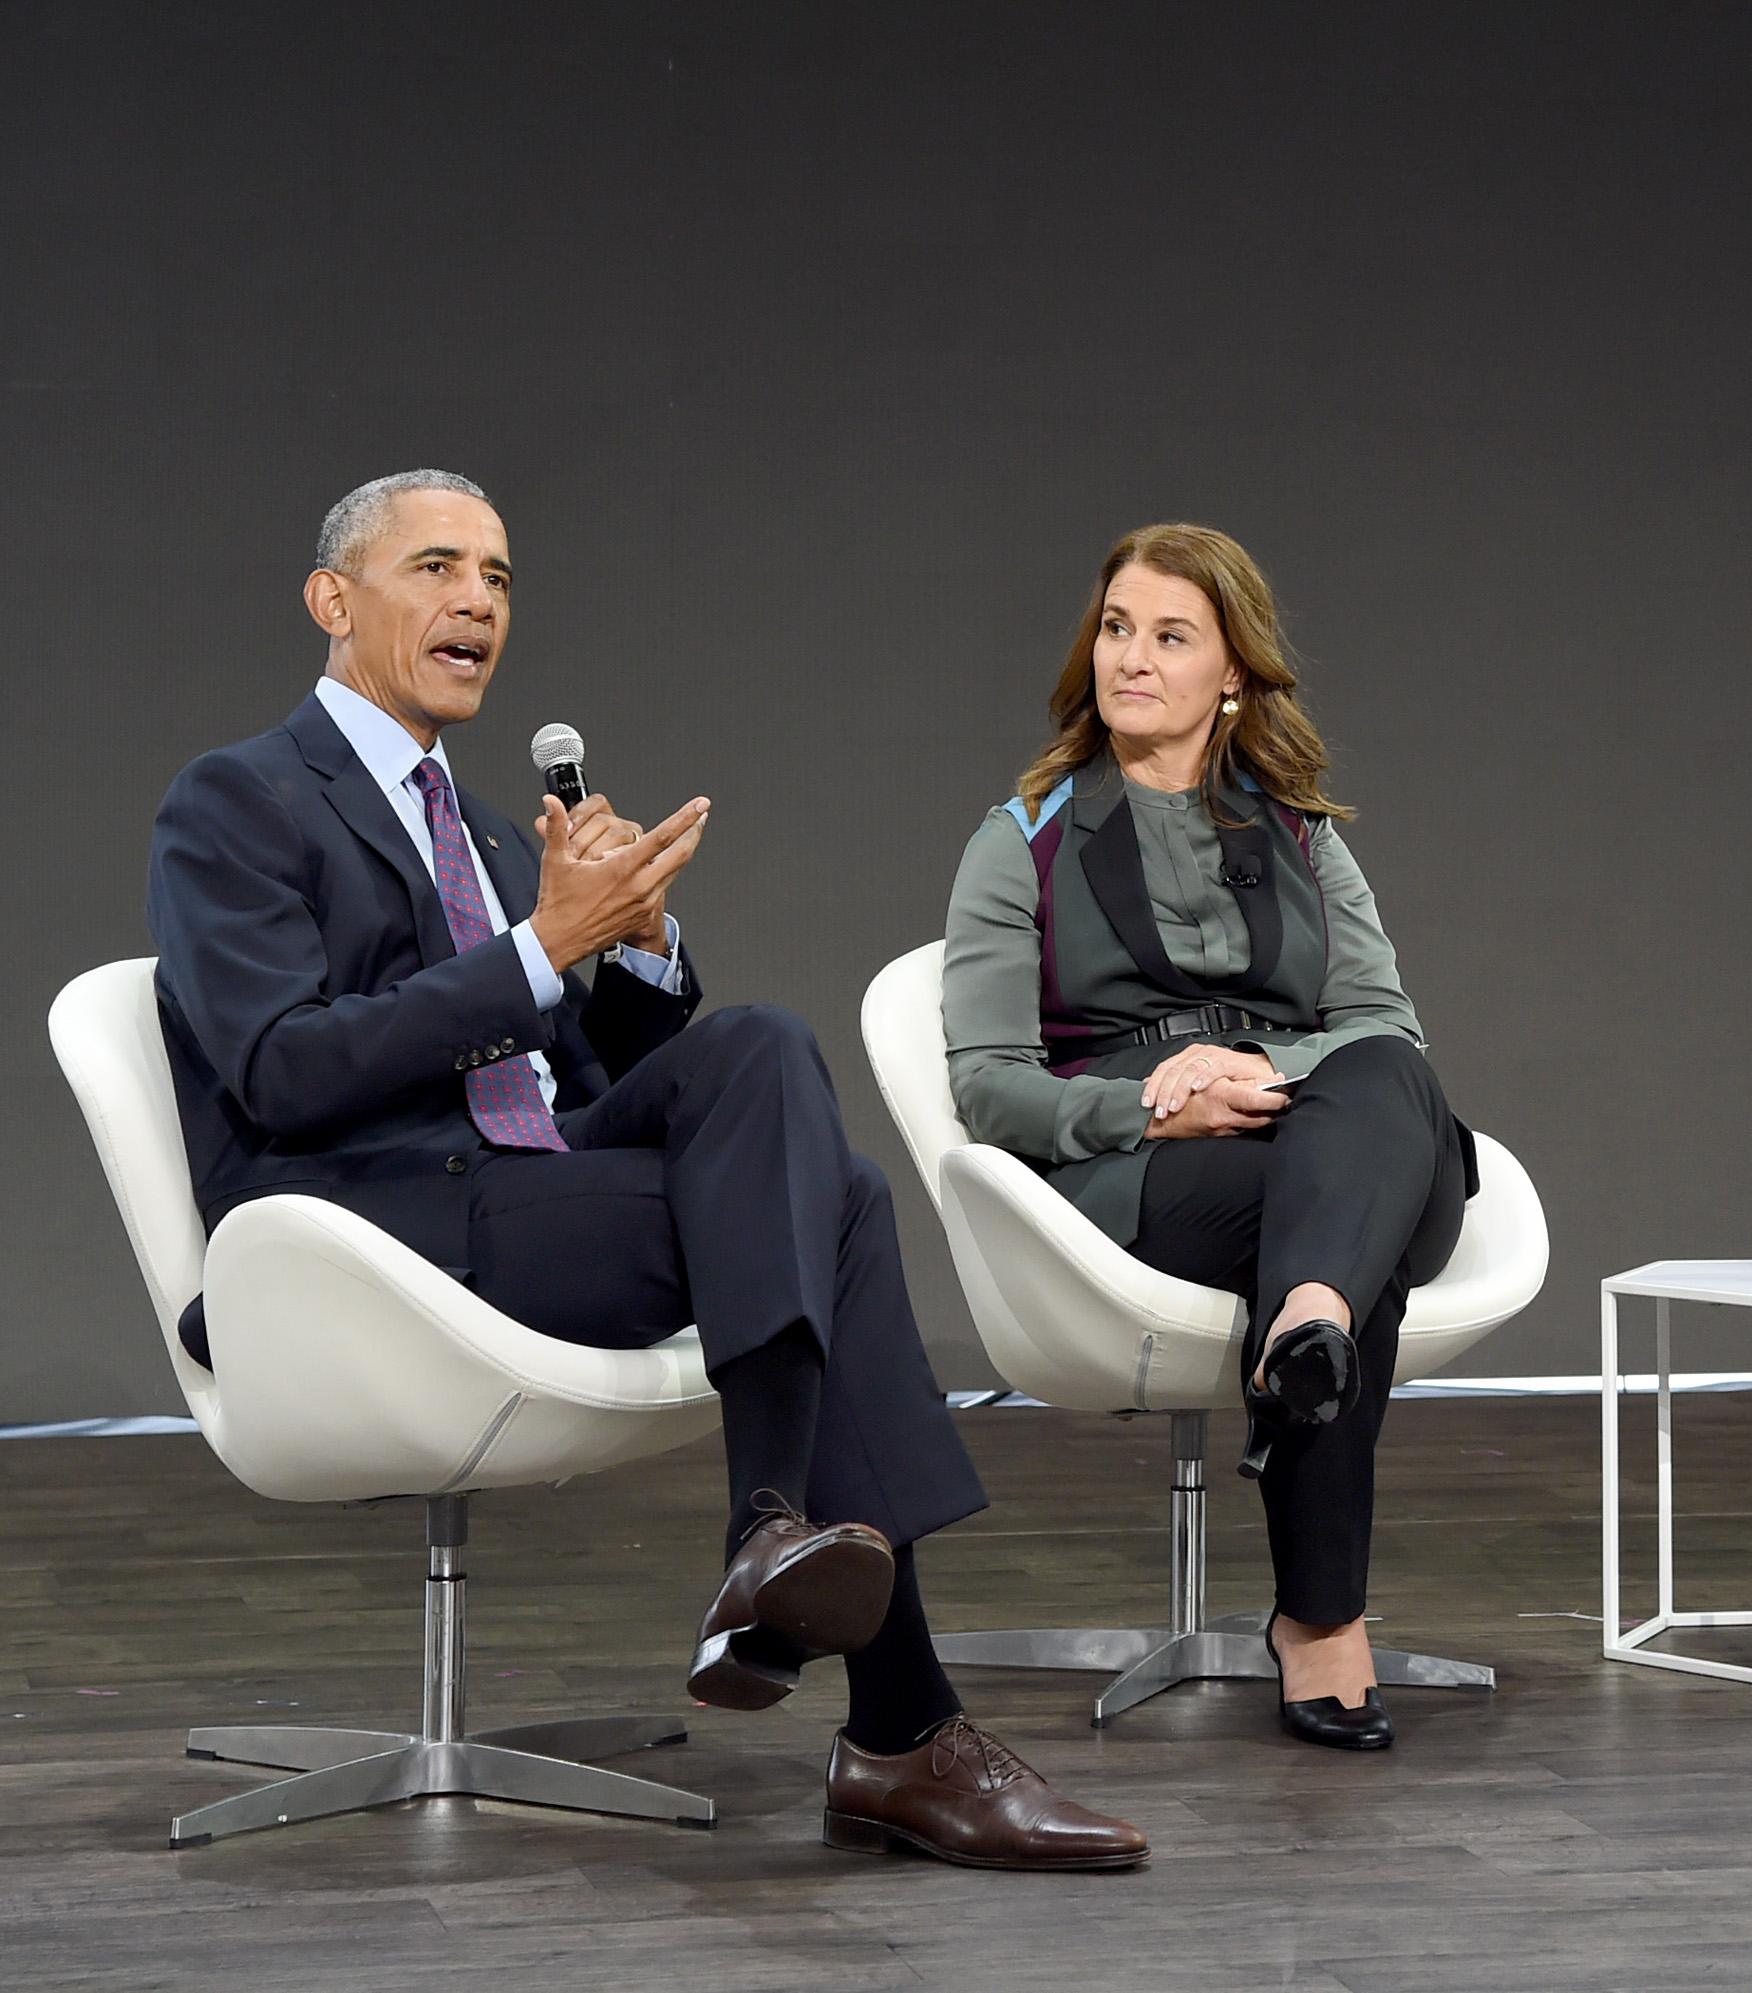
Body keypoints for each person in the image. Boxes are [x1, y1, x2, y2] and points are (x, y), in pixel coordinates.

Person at [146, 470, 1147, 1868]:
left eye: (497, 578)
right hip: (370, 1230)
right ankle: (889, 1714)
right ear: (333, 599)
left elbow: (588, 1077)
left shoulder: (501, 836)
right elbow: (283, 1071)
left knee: (757, 1048)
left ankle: (784, 1556)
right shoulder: (239, 801)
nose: (478, 603)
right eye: (437, 568)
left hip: (529, 1190)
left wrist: (631, 950)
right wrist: (541, 947)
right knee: (842, 1205)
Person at [942, 523, 1475, 1750]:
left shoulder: (1302, 835)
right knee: (1353, 1250)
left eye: (1171, 635)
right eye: (1117, 628)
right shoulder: (1020, 837)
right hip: (1147, 1171)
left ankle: (1309, 1319)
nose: (1132, 656)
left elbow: (1382, 1027)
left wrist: (1254, 1069)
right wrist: (1149, 1101)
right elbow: (987, 1086)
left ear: (1231, 672)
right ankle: (1322, 1613)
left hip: (1325, 1126)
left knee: (1387, 1079)